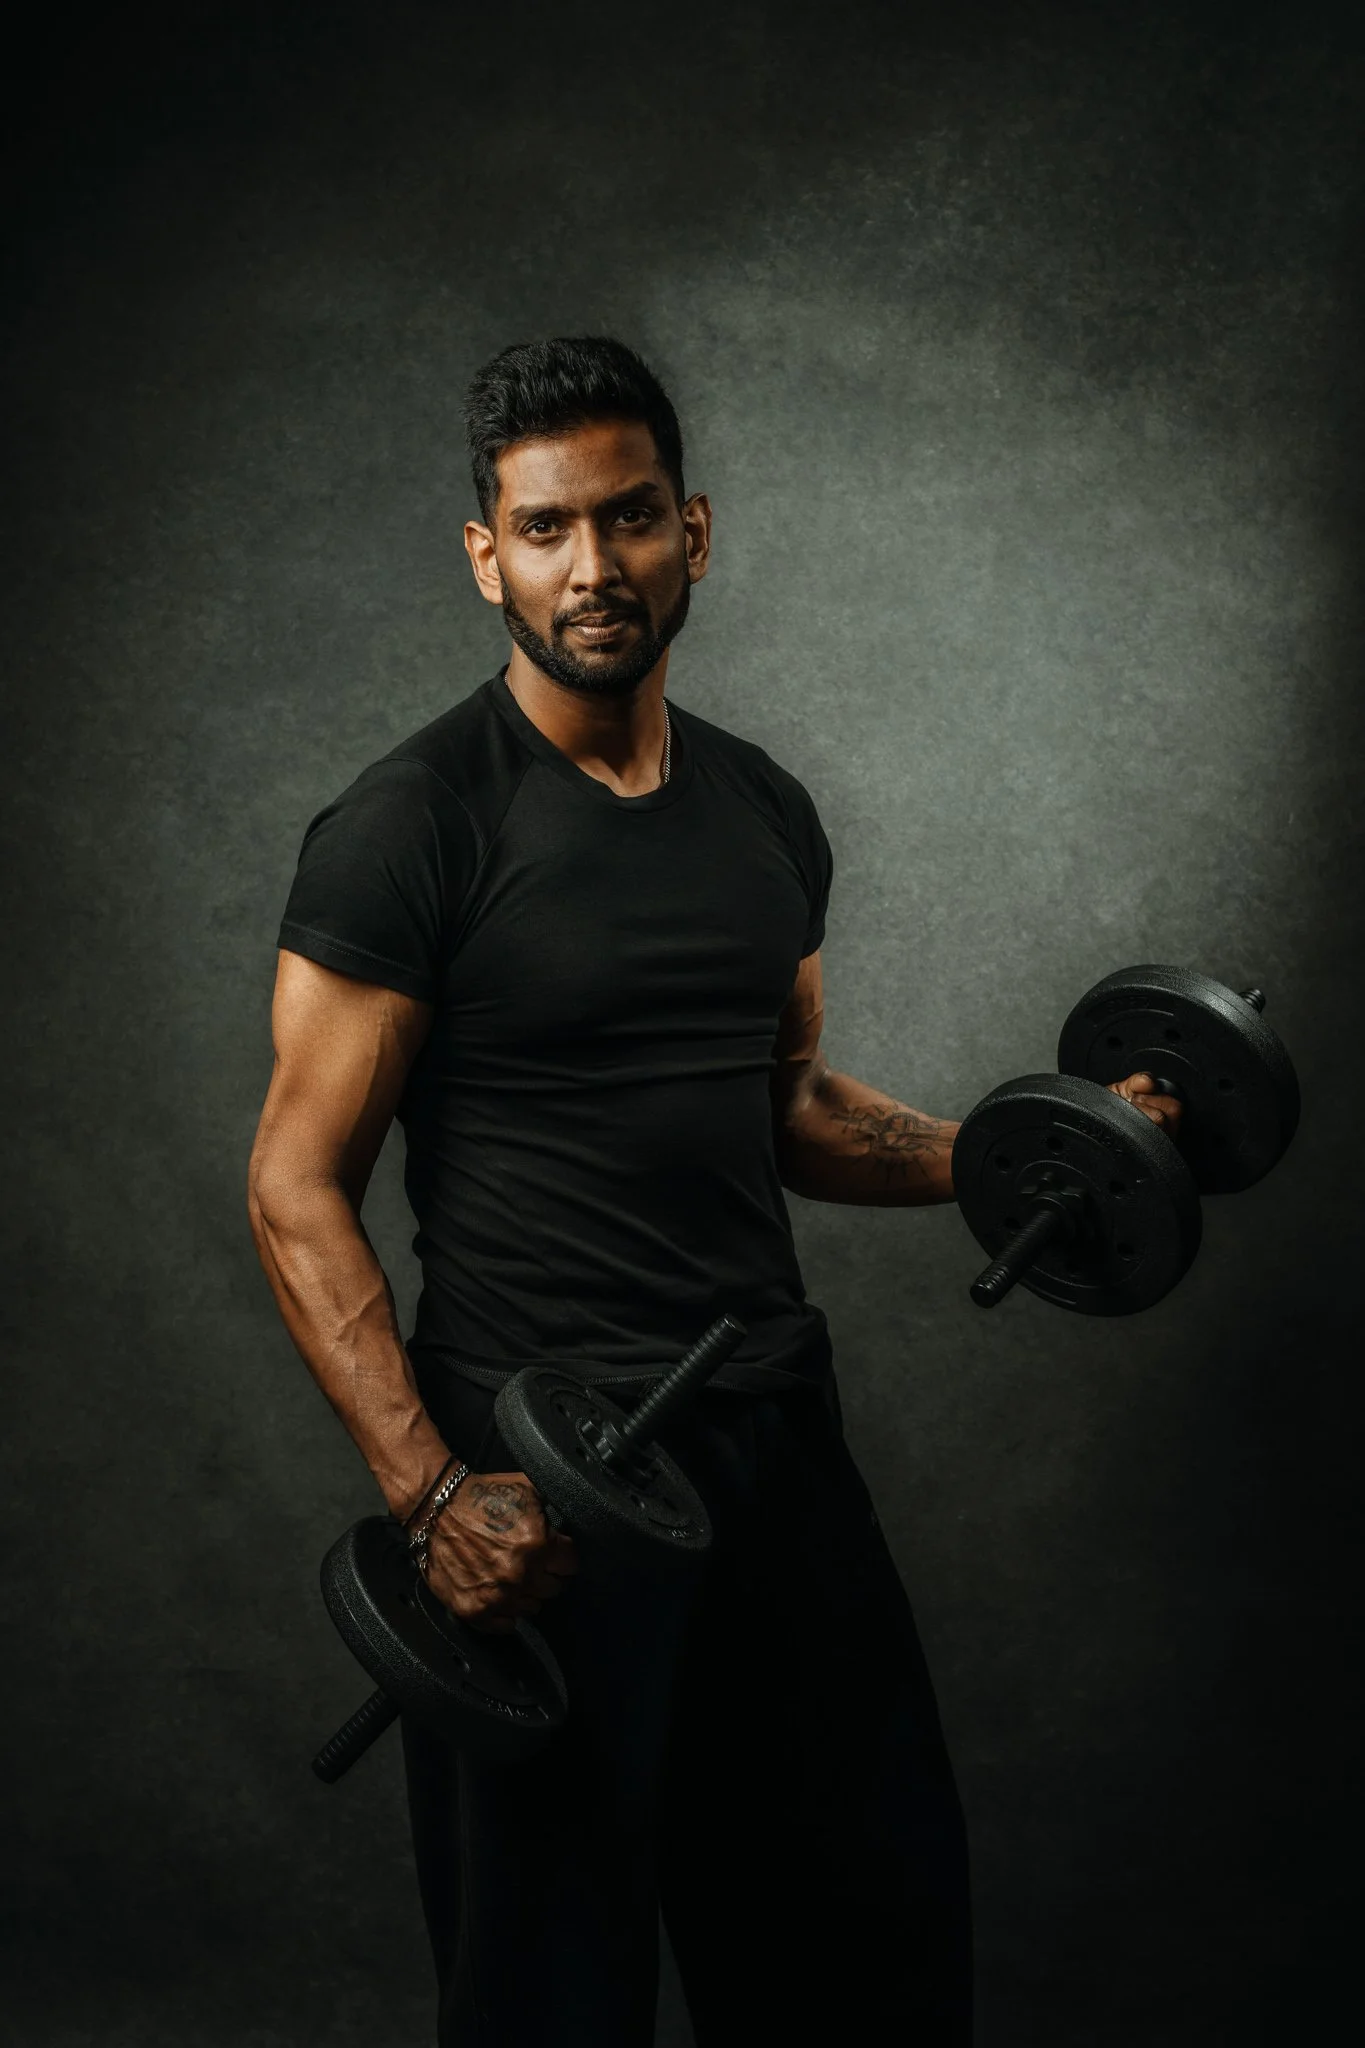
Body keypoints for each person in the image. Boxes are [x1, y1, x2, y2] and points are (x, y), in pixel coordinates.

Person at [247, 335, 1178, 2047]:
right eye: (543, 531)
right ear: (485, 557)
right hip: (540, 1480)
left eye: (626, 519)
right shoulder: (409, 828)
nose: (590, 568)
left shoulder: (764, 811)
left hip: (765, 1440)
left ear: (695, 527)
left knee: (867, 1938)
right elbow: (296, 1186)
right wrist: (432, 1491)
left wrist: (1046, 1142)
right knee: (554, 1987)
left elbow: (794, 1107)